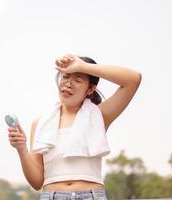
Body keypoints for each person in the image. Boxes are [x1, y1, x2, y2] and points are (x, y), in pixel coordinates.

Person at [7, 54, 142, 200]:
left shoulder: (99, 116)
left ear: (90, 89)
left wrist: (82, 66)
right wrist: (21, 149)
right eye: (65, 77)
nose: (68, 83)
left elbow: (133, 79)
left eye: (77, 79)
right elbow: (37, 182)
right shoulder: (40, 123)